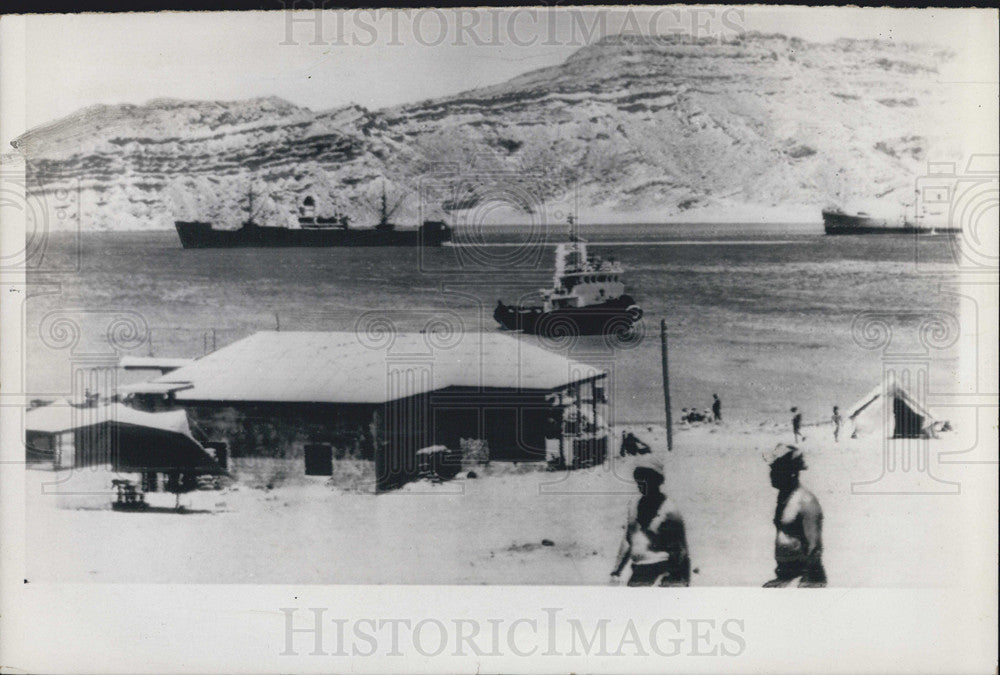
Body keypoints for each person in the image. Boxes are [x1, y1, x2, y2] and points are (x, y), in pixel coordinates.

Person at [611, 455, 691, 587]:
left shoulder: (669, 509)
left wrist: (680, 582)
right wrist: (616, 571)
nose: (641, 483)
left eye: (646, 478)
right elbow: (627, 541)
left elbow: (681, 550)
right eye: (639, 479)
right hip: (638, 571)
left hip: (662, 571)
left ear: (657, 481)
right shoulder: (634, 506)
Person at [762, 444, 826, 587]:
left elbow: (814, 548)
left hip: (806, 578)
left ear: (791, 472)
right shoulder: (784, 497)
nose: (771, 474)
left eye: (776, 469)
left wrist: (806, 583)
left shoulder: (805, 501)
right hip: (788, 574)